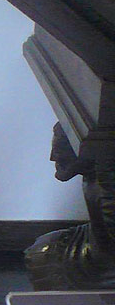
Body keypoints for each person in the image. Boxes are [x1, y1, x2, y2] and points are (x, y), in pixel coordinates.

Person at [25, 122, 115, 289]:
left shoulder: (105, 178)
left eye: (59, 149)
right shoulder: (96, 175)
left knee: (44, 257)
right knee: (41, 250)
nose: (52, 157)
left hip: (103, 262)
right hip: (96, 245)